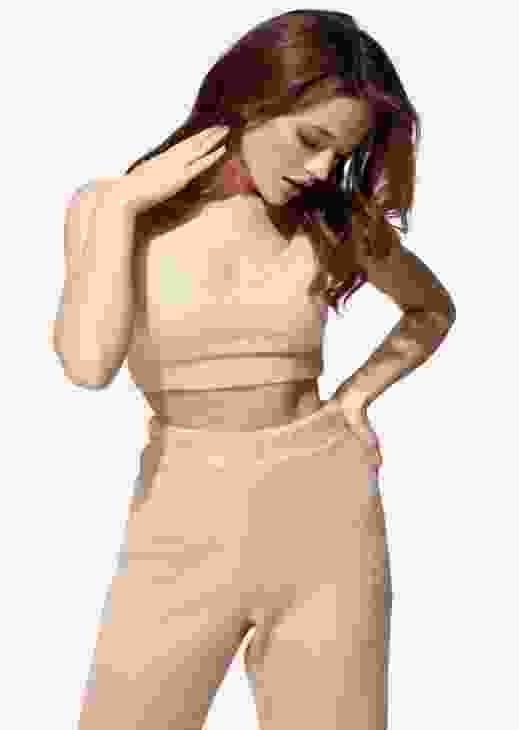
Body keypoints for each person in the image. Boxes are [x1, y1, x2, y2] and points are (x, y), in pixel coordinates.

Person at [53, 9, 455, 730]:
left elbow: (431, 311)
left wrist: (356, 397)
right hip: (182, 508)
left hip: (326, 507)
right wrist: (122, 208)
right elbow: (87, 365)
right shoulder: (111, 208)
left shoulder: (330, 220)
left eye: (342, 153)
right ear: (253, 99)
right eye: (311, 140)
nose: (322, 169)